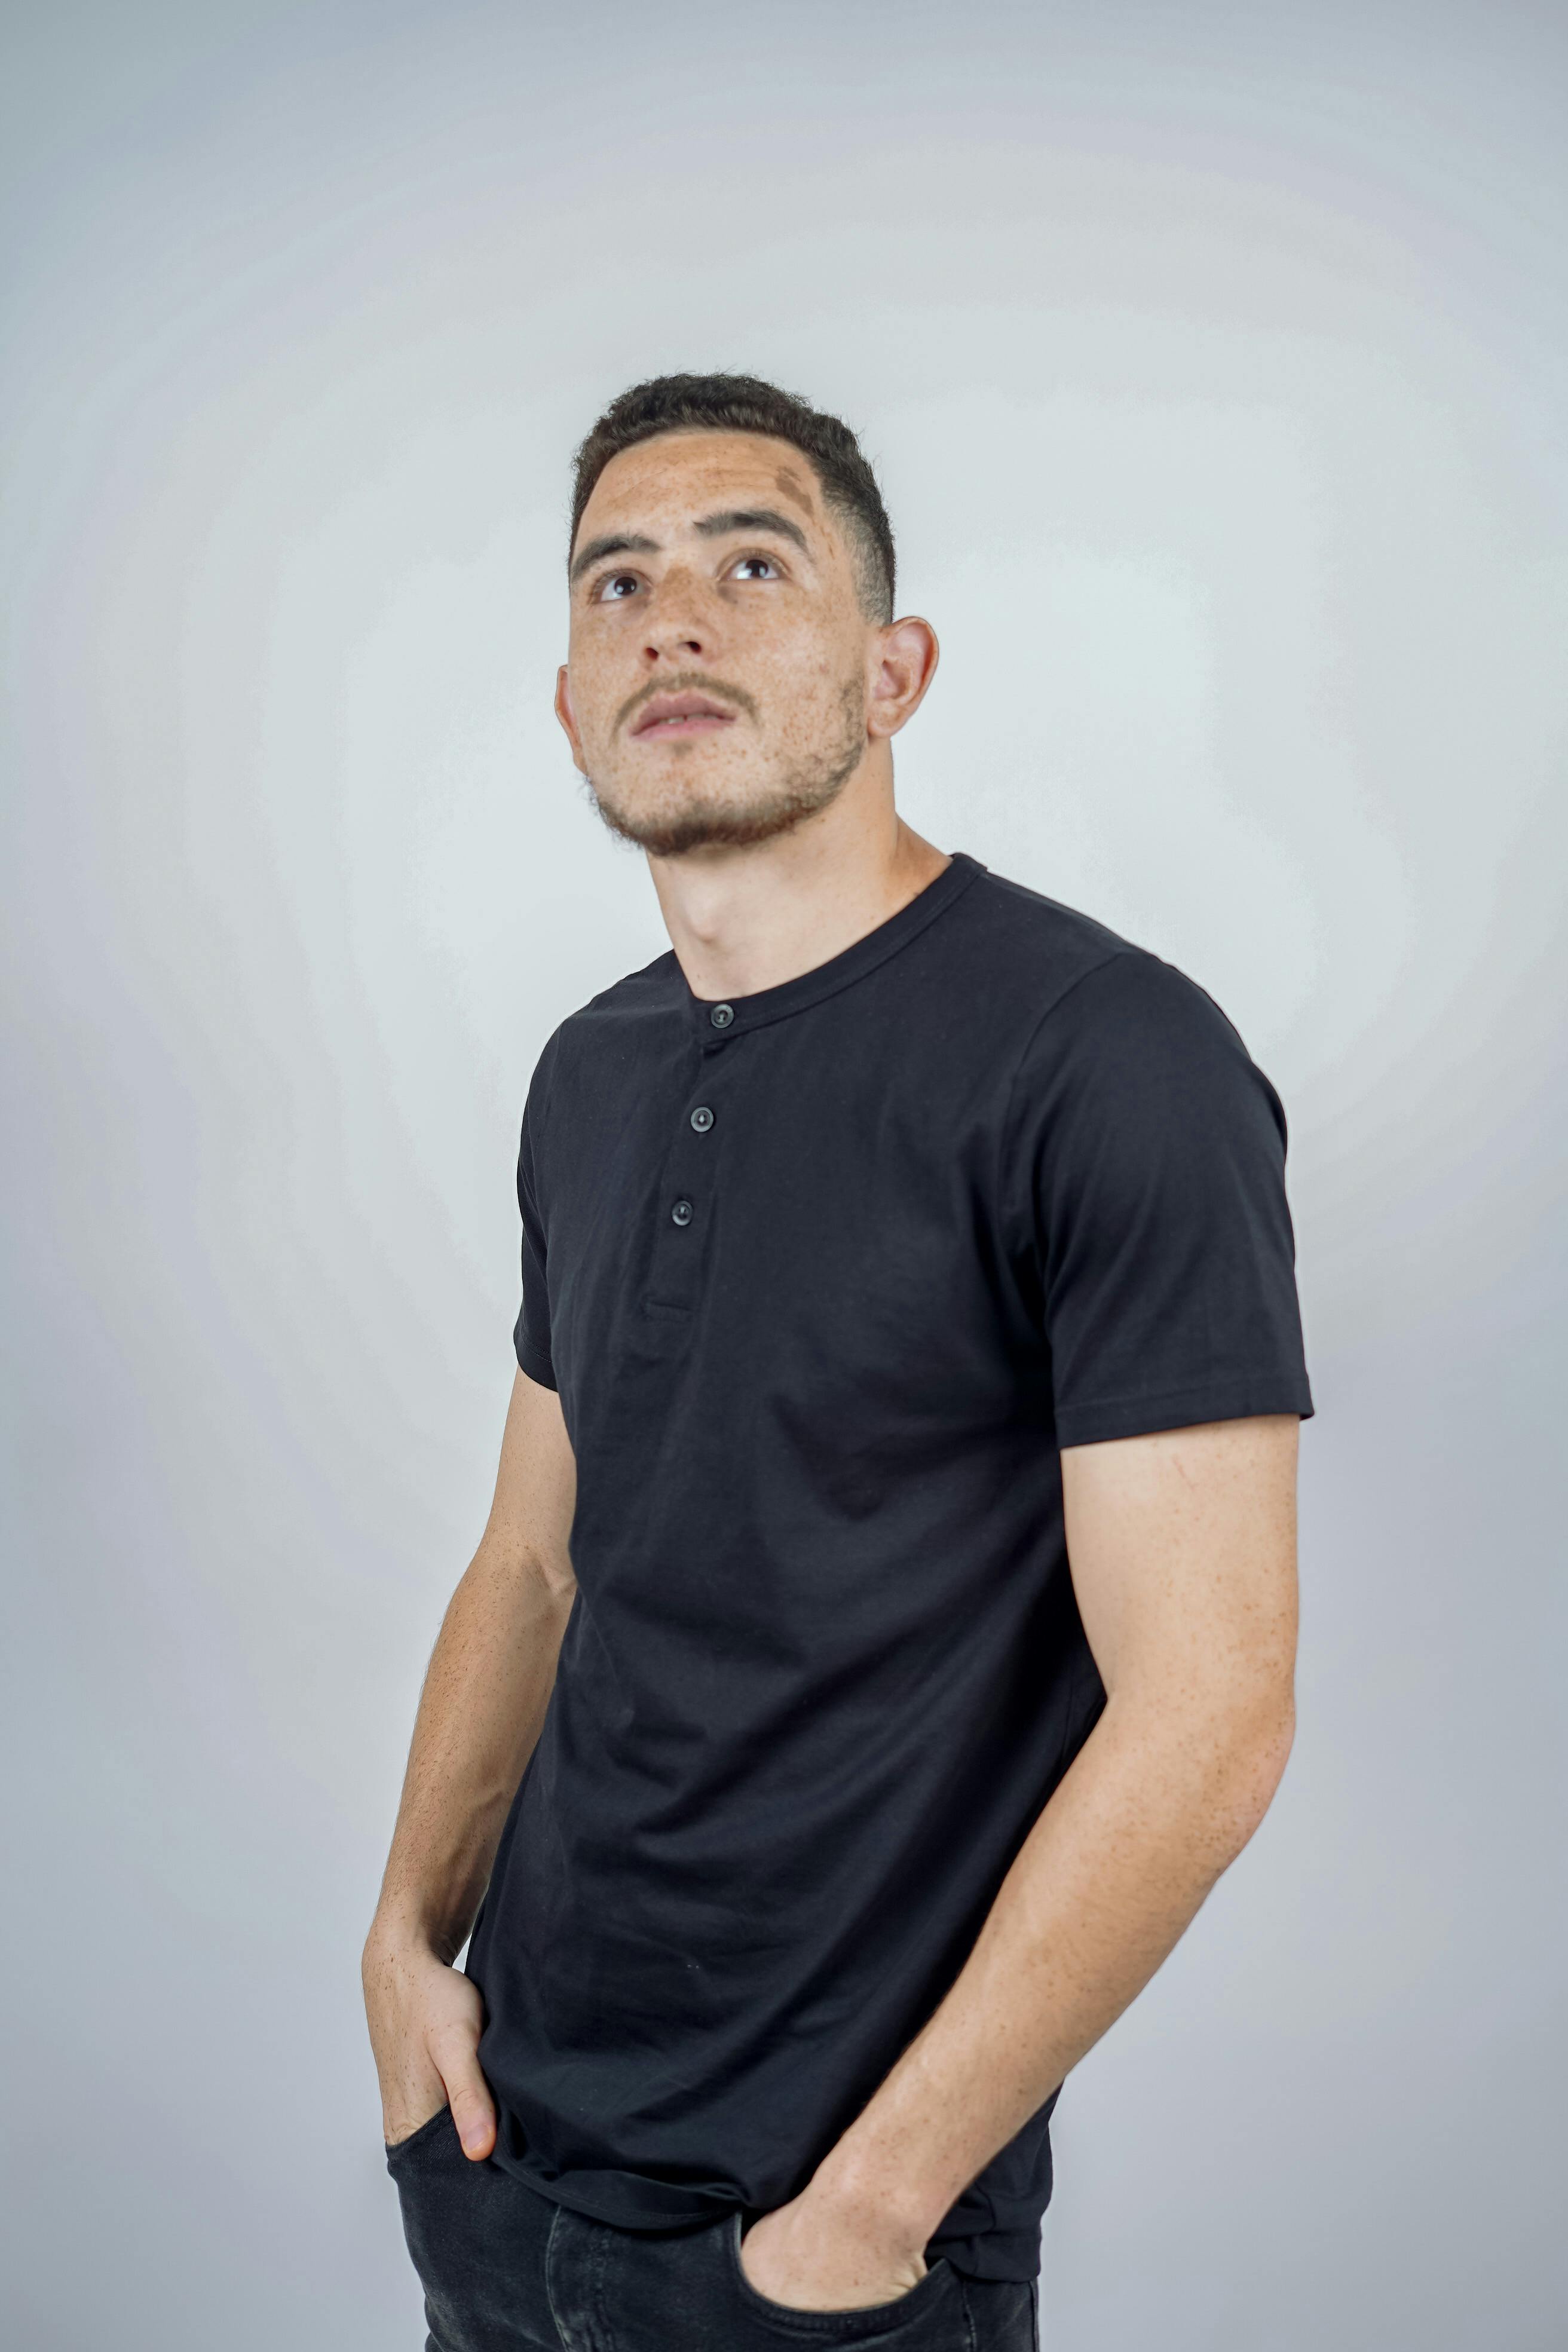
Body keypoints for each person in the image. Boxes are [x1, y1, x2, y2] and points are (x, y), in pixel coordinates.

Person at [362, 372, 1313, 2352]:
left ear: (895, 673)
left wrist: (869, 2209)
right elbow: (534, 1563)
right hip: (501, 2157)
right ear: (569, 706)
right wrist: (400, 1939)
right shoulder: (591, 1072)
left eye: (750, 566)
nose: (671, 621)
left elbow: (1210, 1715)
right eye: (617, 582)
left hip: (823, 2247)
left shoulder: (1108, 1058)